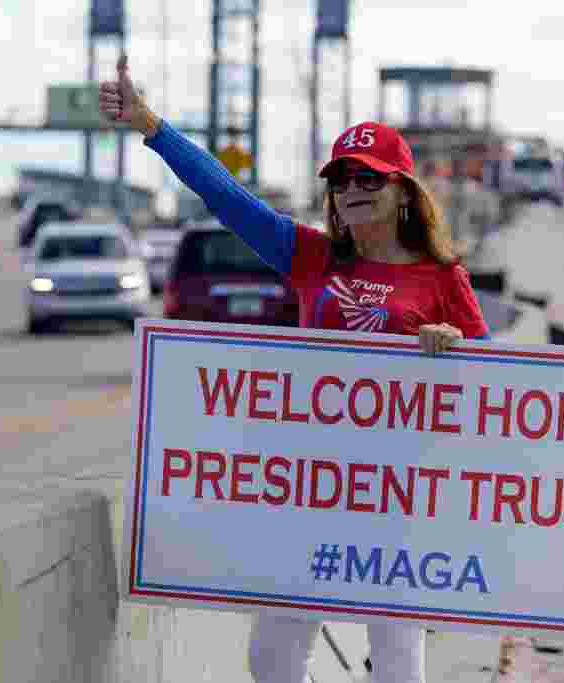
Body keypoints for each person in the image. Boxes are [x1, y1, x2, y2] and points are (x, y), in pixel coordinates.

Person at [101, 55, 490, 683]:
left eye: (369, 176)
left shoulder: (444, 279)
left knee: (398, 669)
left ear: (403, 192)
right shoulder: (310, 258)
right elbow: (227, 197)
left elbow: (506, 392)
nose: (354, 188)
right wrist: (152, 124)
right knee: (272, 662)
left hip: (400, 500)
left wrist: (455, 350)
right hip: (312, 495)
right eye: (342, 179)